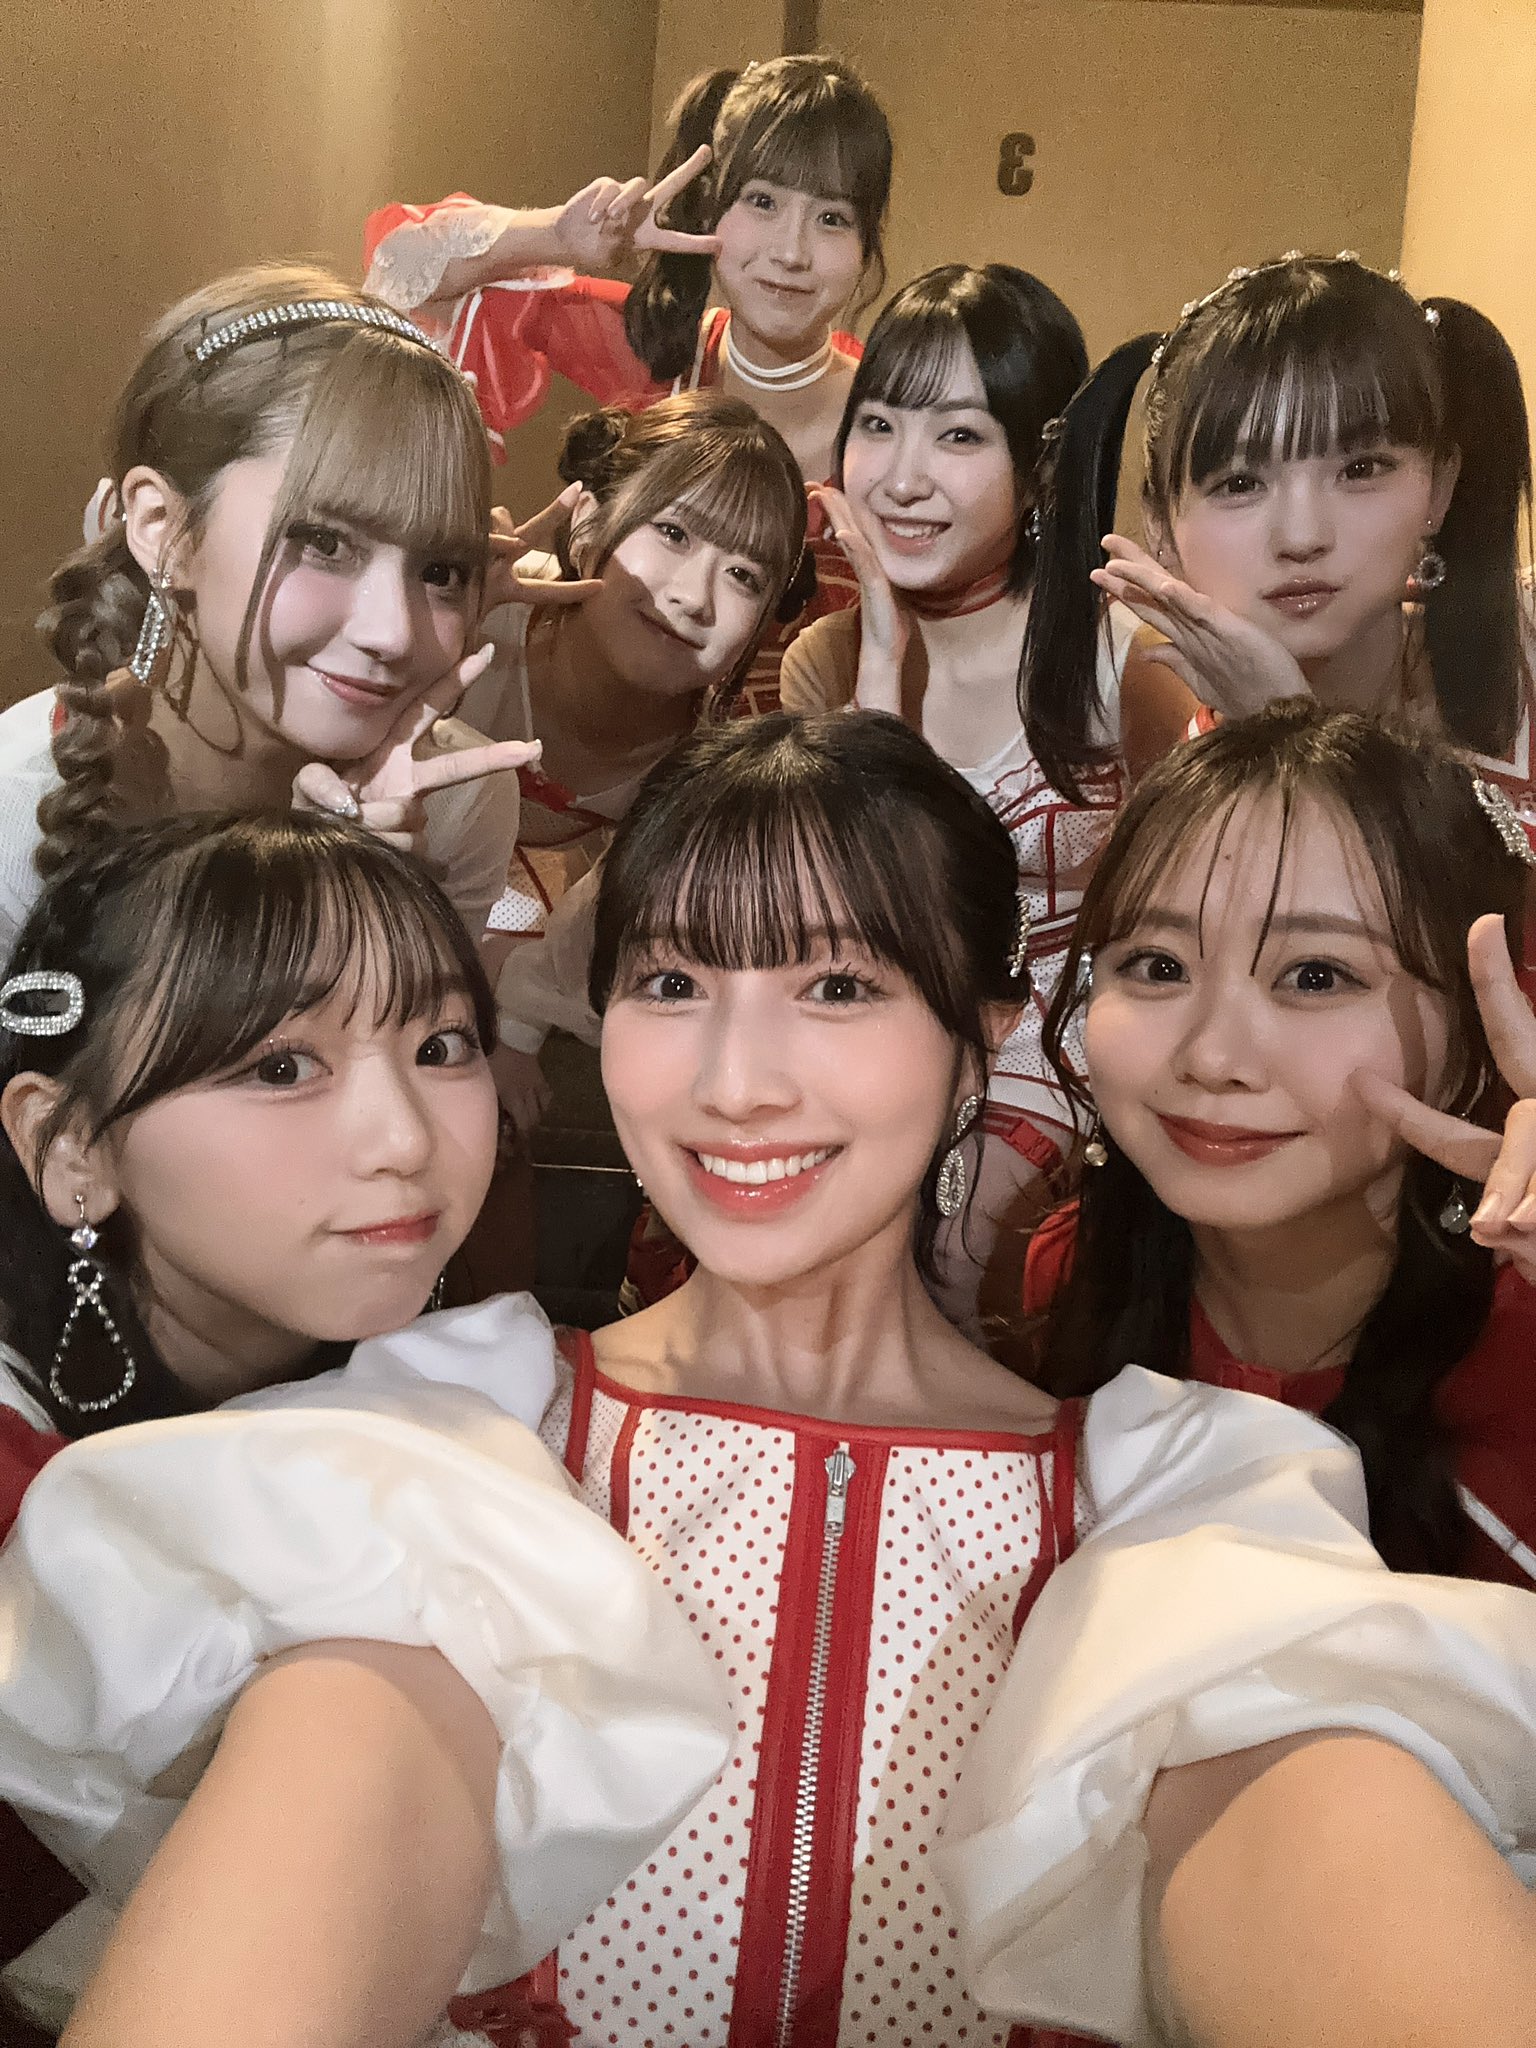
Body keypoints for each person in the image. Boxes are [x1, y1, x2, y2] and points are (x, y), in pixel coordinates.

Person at [12, 716, 1536, 2048]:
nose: (736, 1082)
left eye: (839, 986)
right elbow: (336, 1809)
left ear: (982, 1035)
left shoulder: (1178, 1503)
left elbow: (1306, 1830)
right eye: (672, 980)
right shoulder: (446, 1451)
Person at [0, 810, 730, 2035]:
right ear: (72, 1145)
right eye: (282, 1065)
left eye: (442, 1045)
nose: (405, 1139)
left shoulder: (468, 1395)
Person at [1028, 699, 1536, 1587]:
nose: (1214, 1058)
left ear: (1470, 1037)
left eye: (1315, 975)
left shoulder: (1520, 1344)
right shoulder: (1066, 1274)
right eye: (1158, 966)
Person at [782, 265, 1174, 1321]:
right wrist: (878, 670)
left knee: (945, 1254)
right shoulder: (824, 657)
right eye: (879, 426)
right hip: (876, 1015)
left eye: (959, 435)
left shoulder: (1124, 659)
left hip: (1063, 1027)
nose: (903, 479)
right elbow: (838, 908)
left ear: (1040, 470)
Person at [0, 265, 538, 960]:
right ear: (163, 527)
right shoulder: (16, 814)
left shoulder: (456, 800)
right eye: (325, 543)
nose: (395, 633)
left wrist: (367, 905)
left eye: (441, 572)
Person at [363, 56, 895, 711]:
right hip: (601, 736)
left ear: (868, 243)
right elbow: (396, 276)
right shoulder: (653, 352)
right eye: (762, 201)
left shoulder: (899, 424)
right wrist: (558, 236)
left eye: (832, 218)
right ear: (710, 209)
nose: (792, 252)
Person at [1022, 250, 1536, 811]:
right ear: (1161, 526)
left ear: (1440, 487)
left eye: (1361, 469)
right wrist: (1287, 729)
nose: (1301, 537)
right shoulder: (1195, 799)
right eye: (1240, 484)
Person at [465, 391, 810, 1129]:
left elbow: (598, 919)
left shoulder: (707, 771)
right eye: (674, 532)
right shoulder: (482, 608)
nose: (694, 598)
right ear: (590, 520)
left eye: (744, 576)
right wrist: (434, 626)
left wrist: (518, 1032)